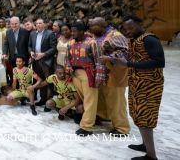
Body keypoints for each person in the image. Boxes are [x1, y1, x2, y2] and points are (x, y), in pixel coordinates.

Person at [109, 16, 165, 160]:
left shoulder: (150, 39)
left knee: (145, 117)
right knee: (137, 114)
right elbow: (137, 58)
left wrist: (127, 64)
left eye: (131, 28)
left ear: (140, 24)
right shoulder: (134, 40)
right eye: (126, 29)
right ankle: (145, 144)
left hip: (149, 85)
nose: (128, 31)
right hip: (136, 82)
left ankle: (151, 156)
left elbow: (159, 62)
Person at [89, 17, 131, 137]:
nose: (91, 28)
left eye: (93, 26)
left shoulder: (116, 35)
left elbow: (126, 52)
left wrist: (111, 57)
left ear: (101, 25)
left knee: (117, 101)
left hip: (114, 73)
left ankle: (122, 128)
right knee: (103, 97)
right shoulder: (96, 35)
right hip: (101, 73)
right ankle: (105, 116)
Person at [66, 21, 106, 136]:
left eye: (74, 31)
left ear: (82, 31)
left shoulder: (92, 43)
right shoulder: (70, 43)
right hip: (75, 74)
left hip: (88, 73)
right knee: (85, 99)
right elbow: (67, 58)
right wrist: (68, 67)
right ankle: (91, 118)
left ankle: (87, 127)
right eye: (71, 31)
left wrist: (99, 78)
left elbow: (99, 61)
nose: (72, 33)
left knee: (90, 100)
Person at [28, 18, 57, 107]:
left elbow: (53, 48)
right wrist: (31, 52)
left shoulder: (50, 33)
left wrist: (43, 54)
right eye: (37, 24)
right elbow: (29, 46)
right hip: (36, 60)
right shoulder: (32, 34)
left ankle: (49, 102)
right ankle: (42, 99)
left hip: (46, 60)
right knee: (40, 79)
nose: (38, 25)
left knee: (48, 81)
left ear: (44, 24)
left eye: (40, 23)